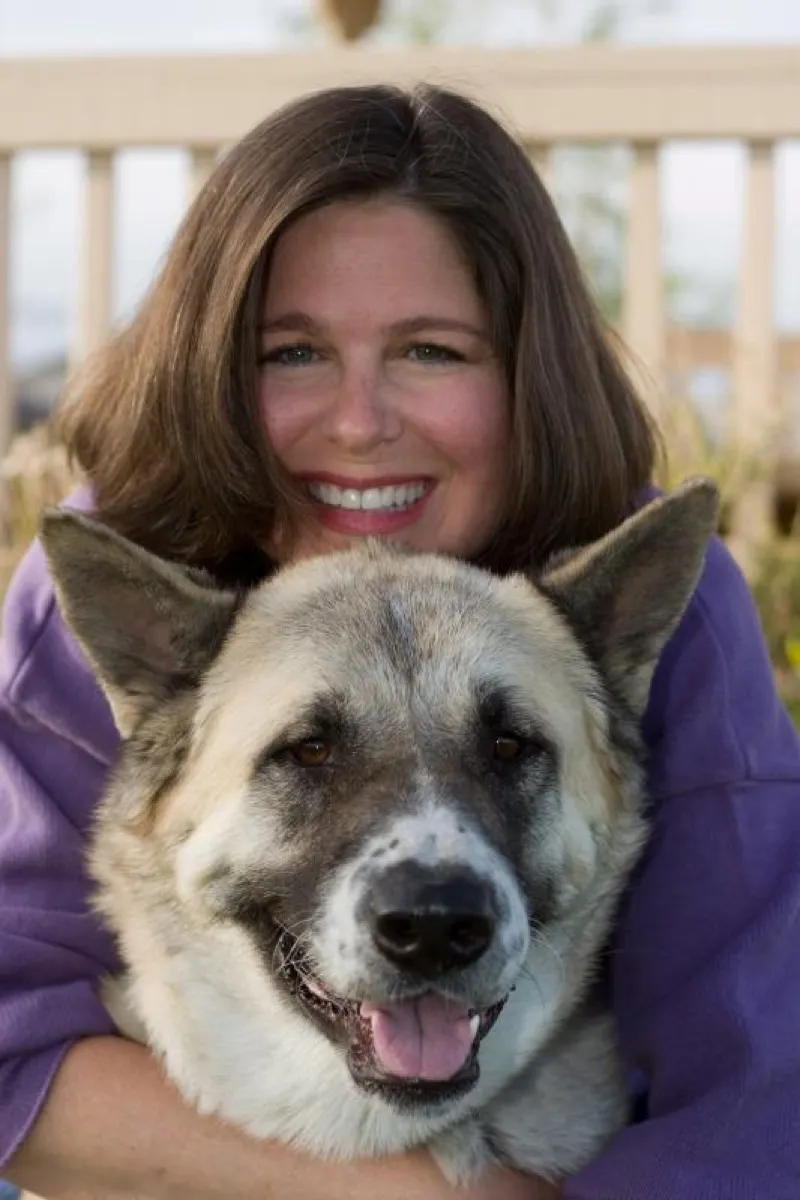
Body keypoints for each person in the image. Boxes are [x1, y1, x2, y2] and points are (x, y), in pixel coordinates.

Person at [1, 82, 799, 1200]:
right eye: (290, 353)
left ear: (525, 377)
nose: (361, 422)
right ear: (212, 373)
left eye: (431, 350)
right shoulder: (116, 575)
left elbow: (758, 1089)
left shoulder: (644, 602)